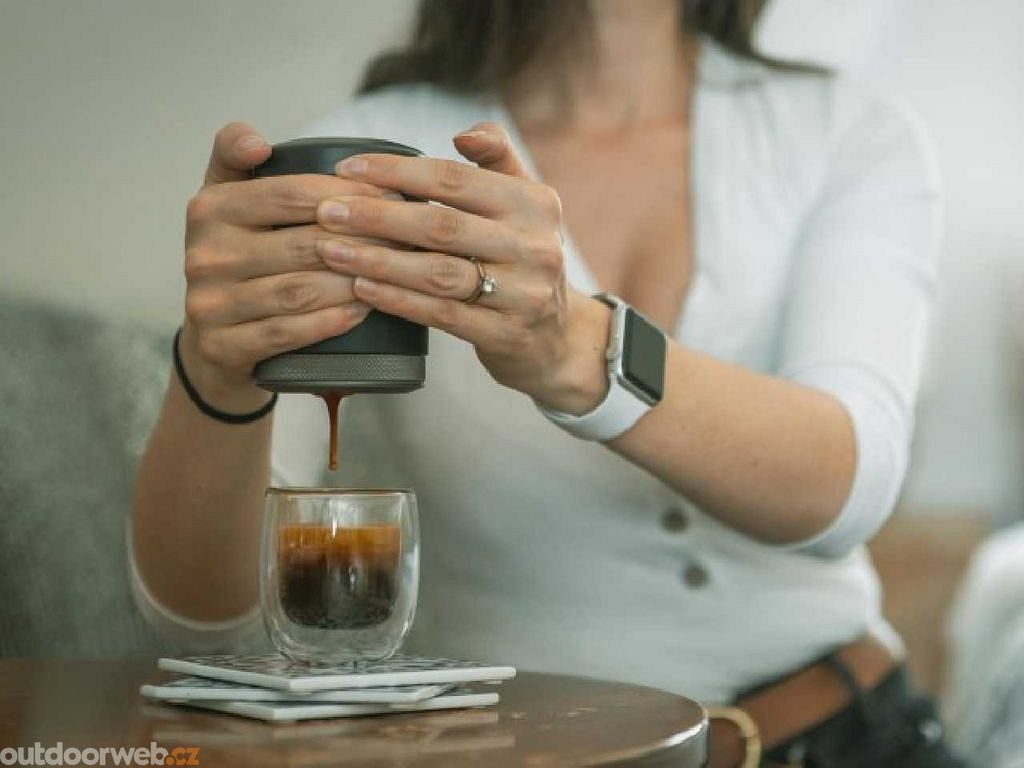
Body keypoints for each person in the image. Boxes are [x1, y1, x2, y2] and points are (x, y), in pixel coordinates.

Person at [131, 0, 963, 764]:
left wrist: (577, 346)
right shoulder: (359, 166)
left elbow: (850, 486)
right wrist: (216, 371)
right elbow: (208, 627)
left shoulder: (845, 130)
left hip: (851, 736)